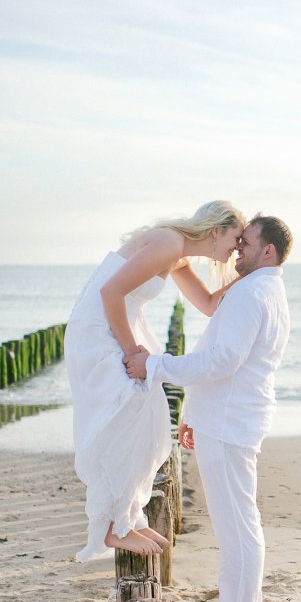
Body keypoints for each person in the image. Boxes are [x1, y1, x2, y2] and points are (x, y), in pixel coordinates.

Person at [124, 214, 292, 602]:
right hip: (231, 418)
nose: (239, 248)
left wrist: (156, 365)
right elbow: (227, 364)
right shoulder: (266, 289)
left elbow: (221, 362)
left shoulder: (253, 294)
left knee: (236, 525)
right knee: (241, 520)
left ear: (268, 250)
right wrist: (193, 415)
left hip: (231, 422)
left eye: (247, 242)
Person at [64, 200, 247, 562]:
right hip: (99, 331)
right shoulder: (169, 243)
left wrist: (254, 272)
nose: (237, 247)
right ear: (216, 231)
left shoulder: (177, 254)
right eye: (236, 238)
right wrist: (135, 354)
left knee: (151, 420)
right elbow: (109, 293)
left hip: (118, 329)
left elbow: (209, 304)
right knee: (125, 419)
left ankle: (129, 517)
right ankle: (110, 528)